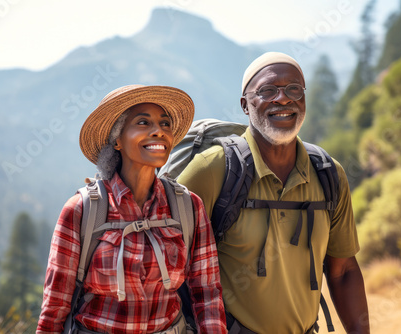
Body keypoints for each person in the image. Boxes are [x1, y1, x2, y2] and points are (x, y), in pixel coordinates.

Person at [177, 52, 370, 333]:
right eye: (268, 90)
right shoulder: (212, 170)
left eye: (294, 89)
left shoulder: (328, 174)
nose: (283, 99)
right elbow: (165, 267)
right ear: (245, 105)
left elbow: (342, 271)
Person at [37, 84, 227, 334]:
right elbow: (55, 309)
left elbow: (207, 295)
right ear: (117, 140)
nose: (159, 132)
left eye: (165, 124)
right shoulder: (82, 210)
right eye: (143, 123)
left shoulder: (188, 207)